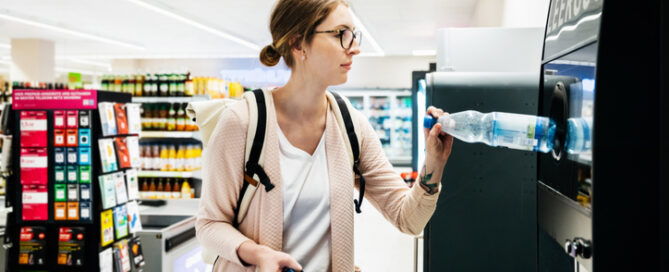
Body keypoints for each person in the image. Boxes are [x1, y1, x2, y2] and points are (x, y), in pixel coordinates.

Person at [195, 0, 454, 271]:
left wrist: (434, 162)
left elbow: (408, 220)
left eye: (354, 34)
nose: (354, 47)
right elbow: (210, 225)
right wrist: (259, 255)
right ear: (298, 44)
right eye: (341, 34)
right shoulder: (243, 122)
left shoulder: (350, 125)